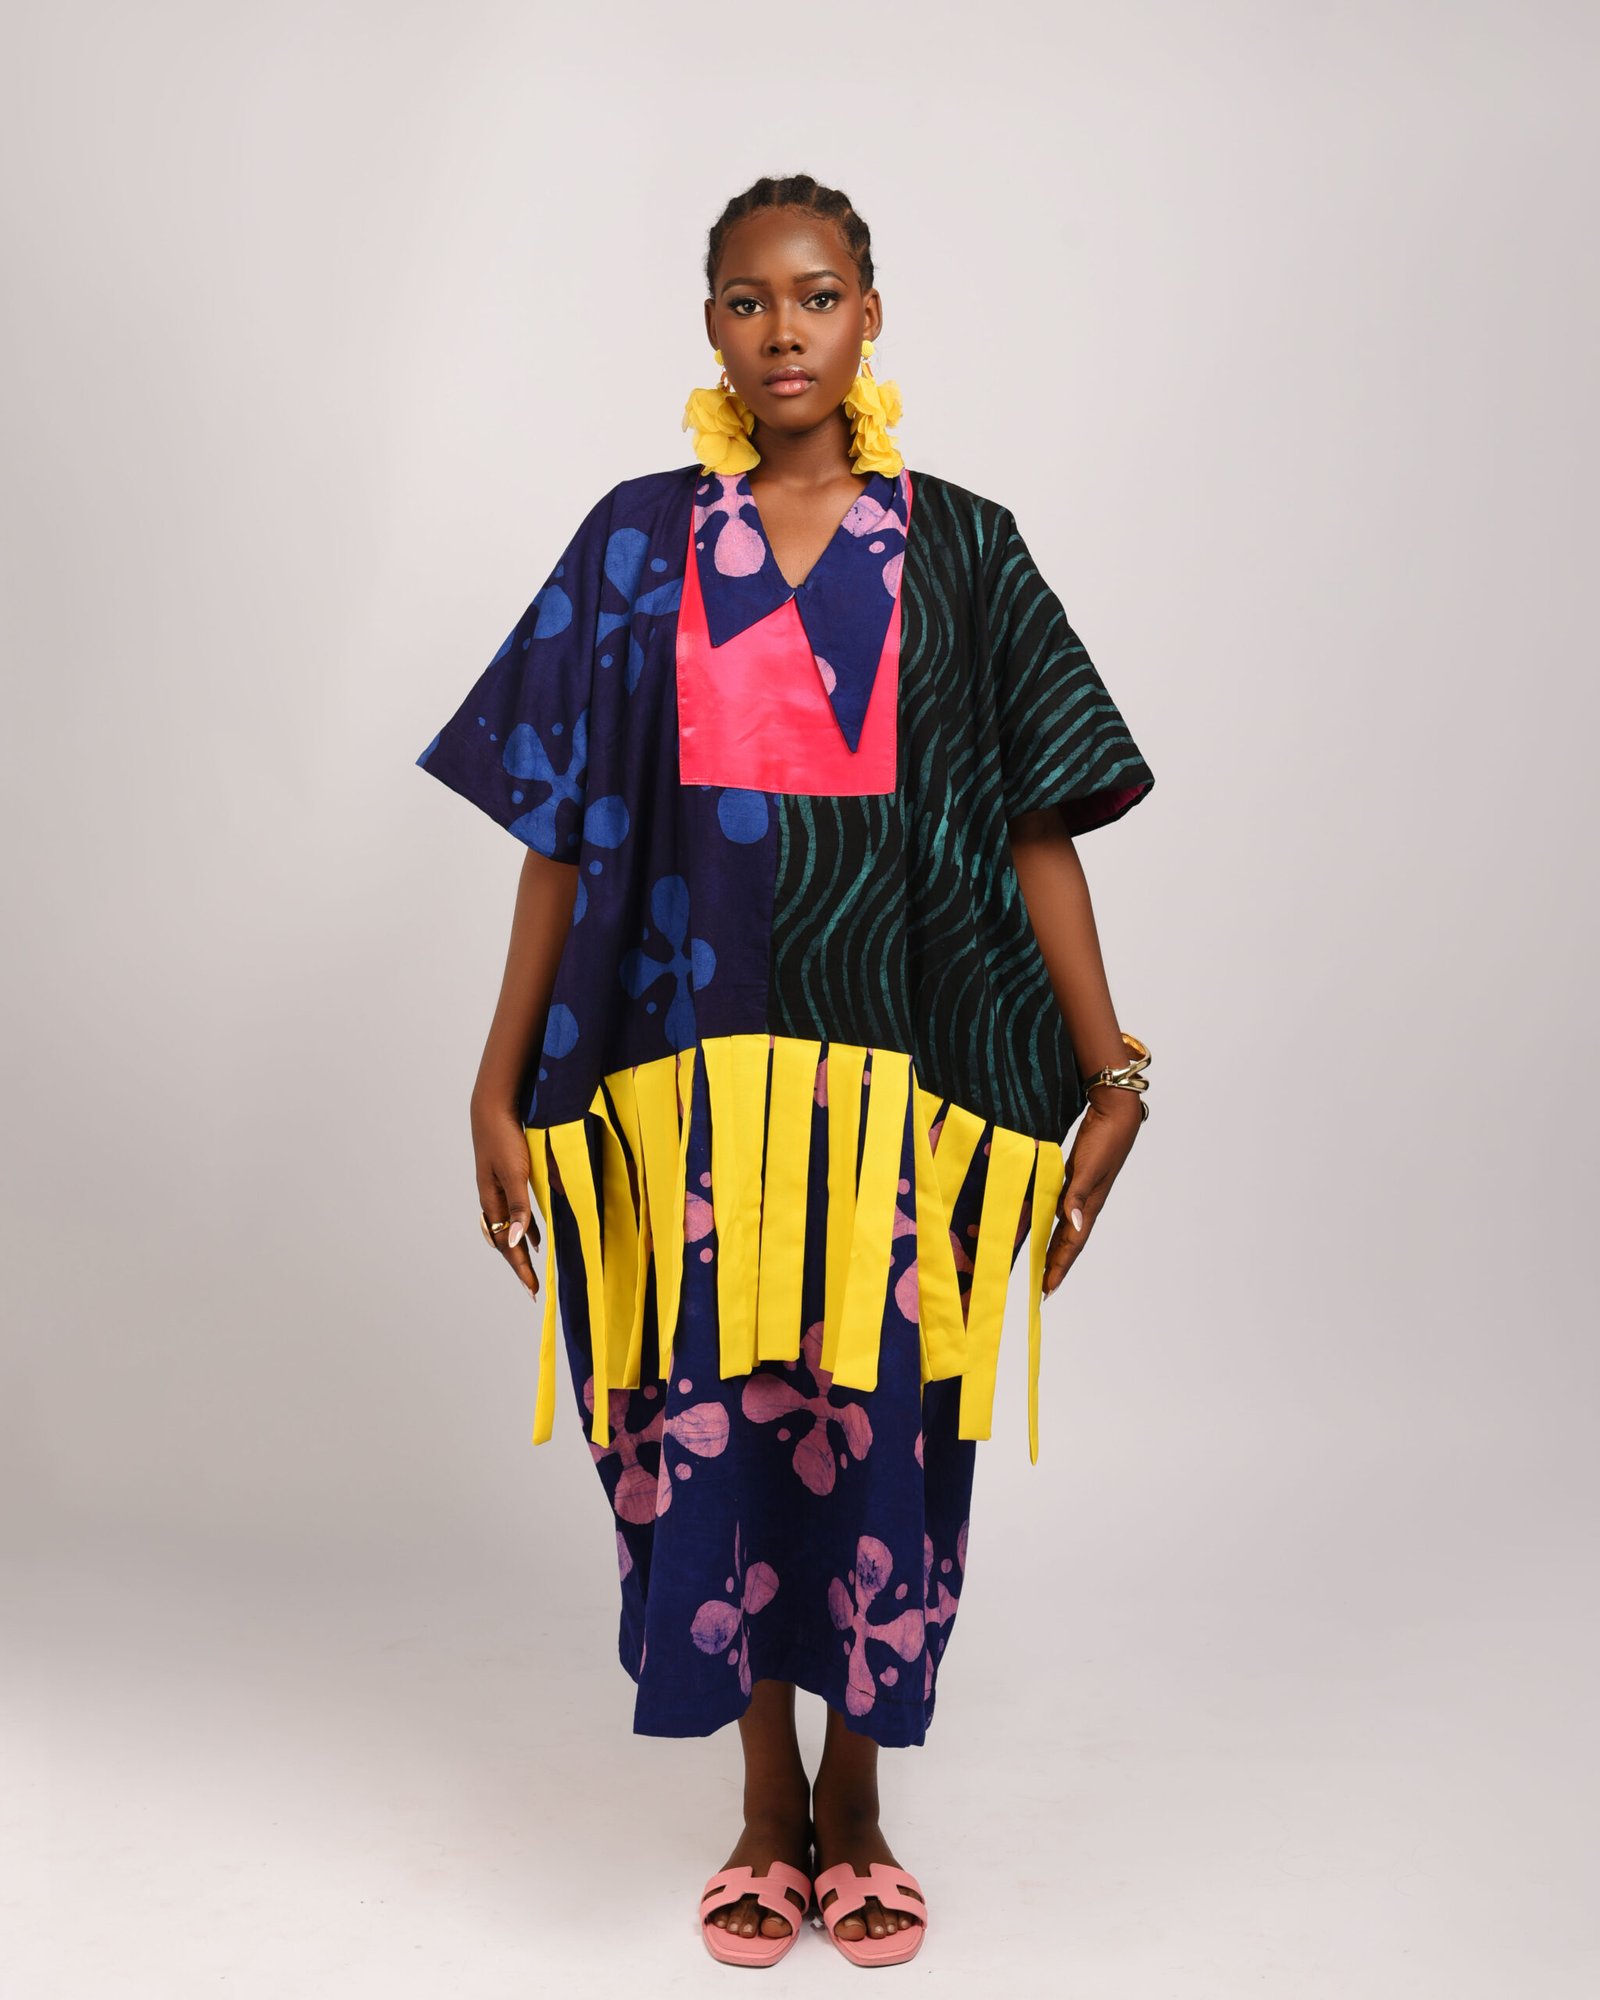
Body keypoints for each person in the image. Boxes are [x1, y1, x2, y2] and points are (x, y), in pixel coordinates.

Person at [415, 172, 1155, 1968]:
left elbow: (1037, 827)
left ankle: (859, 1807)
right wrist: (495, 1083)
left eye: (817, 296)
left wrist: (1113, 1071)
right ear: (711, 328)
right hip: (689, 1094)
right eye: (748, 301)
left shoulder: (962, 550)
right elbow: (566, 836)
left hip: (897, 1097)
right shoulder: (637, 540)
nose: (784, 331)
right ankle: (762, 1807)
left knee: (886, 1426)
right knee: (713, 1417)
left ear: (870, 315)